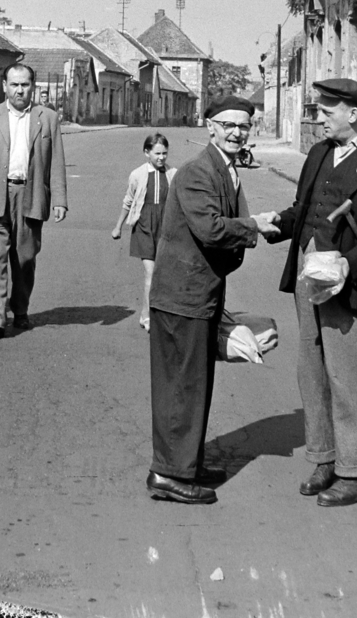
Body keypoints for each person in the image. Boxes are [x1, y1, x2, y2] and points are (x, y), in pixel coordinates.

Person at [267, 78, 357, 507]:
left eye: (328, 111)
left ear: (354, 114)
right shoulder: (318, 154)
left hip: (351, 284)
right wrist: (270, 223)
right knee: (312, 370)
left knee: (348, 375)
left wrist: (352, 262)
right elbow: (303, 211)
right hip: (309, 278)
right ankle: (325, 457)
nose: (320, 117)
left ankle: (355, 470)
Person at [145, 97, 279, 505]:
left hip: (198, 294)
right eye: (228, 125)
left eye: (245, 125)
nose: (238, 131)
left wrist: (256, 226)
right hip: (181, 297)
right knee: (180, 387)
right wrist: (254, 226)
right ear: (210, 127)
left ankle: (186, 462)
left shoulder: (225, 169)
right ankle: (168, 474)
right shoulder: (196, 172)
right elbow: (211, 230)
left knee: (195, 384)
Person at [0, 63, 68, 342]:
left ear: (33, 86)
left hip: (30, 195)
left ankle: (20, 309)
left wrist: (59, 199)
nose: (19, 89)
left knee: (24, 259)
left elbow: (56, 162)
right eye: (14, 84)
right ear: (4, 86)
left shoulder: (47, 118)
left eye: (24, 84)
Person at [111, 133, 176, 331]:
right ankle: (147, 316)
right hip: (145, 227)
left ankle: (154, 313)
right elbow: (128, 200)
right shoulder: (137, 175)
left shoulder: (173, 173)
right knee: (150, 272)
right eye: (157, 153)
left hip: (165, 229)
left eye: (165, 153)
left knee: (164, 275)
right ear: (146, 153)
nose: (161, 157)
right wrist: (118, 226)